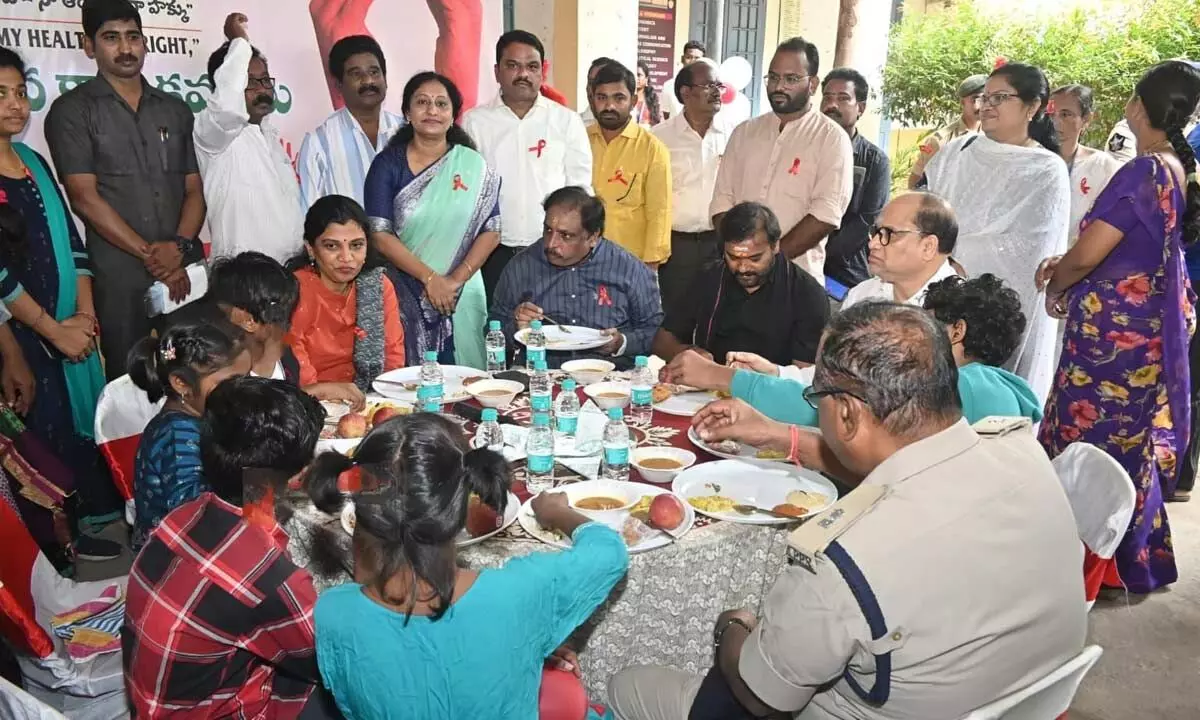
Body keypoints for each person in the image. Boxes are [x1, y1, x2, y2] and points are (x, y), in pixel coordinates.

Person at [609, 303, 1086, 720]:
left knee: (625, 683)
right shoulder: (1024, 452)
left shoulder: (845, 557)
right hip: (1024, 695)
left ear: (847, 415)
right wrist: (781, 435)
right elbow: (899, 474)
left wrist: (732, 624)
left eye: (819, 401)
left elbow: (761, 698)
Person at [310, 412, 628, 719]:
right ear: (463, 503)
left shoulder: (331, 613)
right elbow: (608, 550)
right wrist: (557, 513)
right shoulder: (519, 592)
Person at [1036, 61, 1200, 590]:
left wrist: (1059, 280)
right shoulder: (1177, 168)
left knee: (1086, 436)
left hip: (1114, 334)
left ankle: (1082, 562)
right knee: (1130, 441)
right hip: (1149, 326)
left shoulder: (1144, 171)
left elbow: (1090, 254)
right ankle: (1132, 559)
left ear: (1137, 106)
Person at [124, 375, 340, 720]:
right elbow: (329, 663)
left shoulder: (183, 515)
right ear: (297, 474)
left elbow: (258, 513)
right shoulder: (269, 578)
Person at [45, 0, 205, 382]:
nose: (125, 48)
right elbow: (83, 197)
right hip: (120, 276)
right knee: (129, 379)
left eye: (133, 37)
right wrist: (153, 256)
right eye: (111, 38)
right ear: (89, 46)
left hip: (182, 269)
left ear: (145, 42)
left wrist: (178, 249)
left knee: (195, 373)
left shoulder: (175, 109)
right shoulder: (72, 112)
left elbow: (195, 189)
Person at [0, 47, 124, 533]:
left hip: (70, 326)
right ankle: (54, 555)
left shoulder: (32, 161)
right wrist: (52, 331)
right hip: (22, 334)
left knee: (78, 431)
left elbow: (72, 244)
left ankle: (87, 531)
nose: (14, 104)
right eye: (0, 95)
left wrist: (85, 322)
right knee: (35, 444)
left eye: (18, 92)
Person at [667, 274, 1043, 429]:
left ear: (956, 331)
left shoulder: (961, 387)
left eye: (925, 325)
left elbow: (831, 407)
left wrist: (720, 376)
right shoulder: (1002, 391)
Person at [926, 62, 1069, 405]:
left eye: (1000, 97)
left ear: (1032, 106)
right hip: (939, 284)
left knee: (983, 400)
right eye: (984, 97)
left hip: (999, 304)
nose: (986, 105)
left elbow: (1029, 250)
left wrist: (963, 260)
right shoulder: (956, 152)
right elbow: (928, 211)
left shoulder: (1046, 169)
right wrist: (944, 261)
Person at [364, 71, 499, 369]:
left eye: (441, 104)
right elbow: (379, 233)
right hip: (405, 285)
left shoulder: (472, 163)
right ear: (407, 113)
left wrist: (453, 280)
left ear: (453, 116)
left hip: (463, 288)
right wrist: (430, 279)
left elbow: (492, 230)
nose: (432, 110)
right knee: (413, 377)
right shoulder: (387, 165)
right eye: (422, 102)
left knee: (468, 378)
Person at [710, 37, 853, 287]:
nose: (779, 86)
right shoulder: (744, 132)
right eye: (773, 77)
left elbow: (825, 214)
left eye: (791, 79)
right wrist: (741, 257)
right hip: (736, 276)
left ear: (813, 84)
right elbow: (722, 201)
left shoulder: (831, 138)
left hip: (796, 279)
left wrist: (768, 261)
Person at [462, 30, 593, 300]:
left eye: (532, 66)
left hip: (552, 250)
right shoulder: (475, 122)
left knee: (552, 329)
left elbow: (580, 189)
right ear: (497, 71)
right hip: (492, 251)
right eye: (513, 66)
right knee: (497, 331)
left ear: (542, 72)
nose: (524, 74)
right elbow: (468, 190)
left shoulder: (565, 121)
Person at [489, 186, 662, 369]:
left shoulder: (628, 269)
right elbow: (494, 332)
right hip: (541, 377)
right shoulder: (521, 267)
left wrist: (622, 343)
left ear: (593, 237)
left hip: (610, 381)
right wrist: (516, 327)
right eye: (548, 230)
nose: (551, 243)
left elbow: (656, 333)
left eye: (566, 235)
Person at [653, 202, 829, 369]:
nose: (743, 268)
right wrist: (687, 354)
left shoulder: (807, 295)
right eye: (734, 258)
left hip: (771, 393)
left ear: (775, 246)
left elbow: (804, 377)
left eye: (755, 259)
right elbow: (663, 340)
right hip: (706, 387)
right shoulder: (710, 276)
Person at [127, 315, 250, 549]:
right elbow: (194, 519)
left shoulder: (201, 416)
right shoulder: (178, 435)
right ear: (181, 383)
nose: (242, 392)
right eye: (231, 382)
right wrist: (261, 483)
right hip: (171, 563)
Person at [196, 13, 303, 262]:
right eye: (250, 82)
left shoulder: (269, 135)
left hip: (288, 276)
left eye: (265, 80)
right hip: (243, 282)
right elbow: (227, 106)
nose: (263, 89)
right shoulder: (214, 133)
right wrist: (240, 42)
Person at [287, 195, 404, 406]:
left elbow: (393, 358)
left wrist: (384, 406)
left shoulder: (377, 286)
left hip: (371, 398)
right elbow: (298, 369)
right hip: (311, 402)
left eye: (356, 245)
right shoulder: (295, 291)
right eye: (332, 247)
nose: (346, 258)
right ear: (311, 249)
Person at [652, 58, 728, 323]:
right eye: (709, 85)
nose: (717, 91)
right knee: (676, 318)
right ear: (685, 93)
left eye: (719, 85)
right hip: (676, 246)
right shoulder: (659, 138)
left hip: (718, 243)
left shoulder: (732, 135)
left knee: (717, 315)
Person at [299, 34, 404, 209]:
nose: (368, 81)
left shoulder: (407, 133)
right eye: (356, 74)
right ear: (339, 85)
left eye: (374, 72)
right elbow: (309, 216)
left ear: (385, 79)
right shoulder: (318, 143)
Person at [587, 61, 673, 267]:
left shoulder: (652, 149)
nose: (609, 106)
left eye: (619, 98)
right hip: (582, 264)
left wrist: (650, 270)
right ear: (592, 99)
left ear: (633, 100)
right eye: (602, 98)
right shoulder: (580, 141)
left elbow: (659, 214)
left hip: (629, 266)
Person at [820, 68, 891, 297]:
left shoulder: (875, 160)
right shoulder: (803, 149)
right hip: (797, 261)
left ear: (860, 108)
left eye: (842, 98)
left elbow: (867, 219)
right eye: (827, 97)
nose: (832, 105)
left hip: (845, 273)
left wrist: (819, 251)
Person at [840, 192, 959, 310]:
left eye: (889, 233)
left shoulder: (959, 313)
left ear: (928, 247)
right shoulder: (862, 295)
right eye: (876, 232)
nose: (872, 244)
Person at [206, 251, 300, 382]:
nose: (287, 323)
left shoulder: (288, 360)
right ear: (249, 321)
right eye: (280, 312)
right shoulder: (225, 381)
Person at [1049, 85, 1123, 245]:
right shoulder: (1033, 160)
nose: (1055, 121)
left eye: (1065, 114)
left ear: (1087, 119)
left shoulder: (1103, 166)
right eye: (1050, 114)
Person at [907, 73, 985, 189]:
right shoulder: (939, 141)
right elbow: (916, 180)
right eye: (976, 100)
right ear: (962, 102)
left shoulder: (993, 136)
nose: (982, 106)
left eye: (986, 99)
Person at [661, 40, 706, 119]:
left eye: (697, 58)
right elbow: (666, 118)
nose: (693, 61)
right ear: (682, 59)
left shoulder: (708, 87)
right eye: (689, 57)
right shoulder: (669, 86)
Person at [580, 56, 615, 127]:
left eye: (600, 82)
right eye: (591, 82)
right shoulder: (574, 124)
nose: (594, 89)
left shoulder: (629, 127)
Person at [634, 59, 662, 127]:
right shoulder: (627, 98)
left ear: (646, 79)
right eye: (634, 74)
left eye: (639, 75)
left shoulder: (652, 98)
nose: (636, 78)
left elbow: (657, 121)